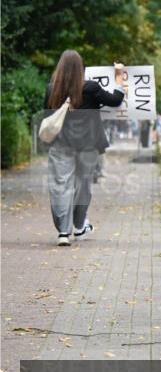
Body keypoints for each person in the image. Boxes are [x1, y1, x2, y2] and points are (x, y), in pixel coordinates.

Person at [44, 51, 126, 245]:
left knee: (60, 186)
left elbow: (47, 116)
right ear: (80, 68)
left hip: (61, 145)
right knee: (83, 187)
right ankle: (80, 226)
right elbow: (115, 100)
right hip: (88, 146)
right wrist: (118, 76)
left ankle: (63, 232)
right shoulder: (90, 88)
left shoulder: (51, 90)